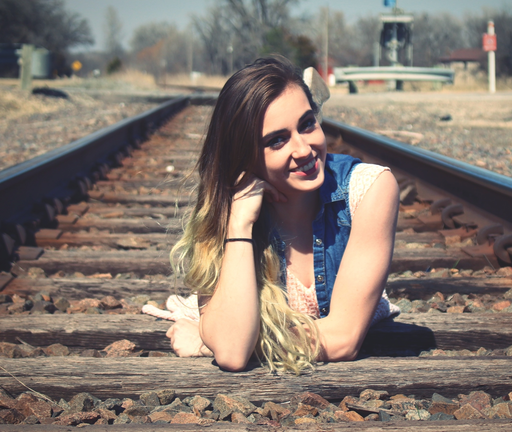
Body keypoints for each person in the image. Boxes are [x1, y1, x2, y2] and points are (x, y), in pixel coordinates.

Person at [143, 55, 400, 374]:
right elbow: (233, 353)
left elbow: (344, 338)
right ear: (245, 156)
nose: (304, 150)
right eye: (277, 140)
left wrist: (209, 340)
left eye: (307, 124)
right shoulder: (230, 203)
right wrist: (239, 223)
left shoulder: (369, 189)